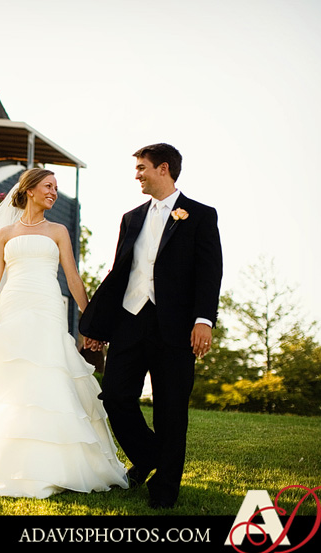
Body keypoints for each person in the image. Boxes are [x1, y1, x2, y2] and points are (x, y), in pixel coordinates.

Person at [0, 168, 128, 499]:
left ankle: (56, 463)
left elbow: (73, 277)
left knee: (48, 371)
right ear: (29, 190)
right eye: (48, 186)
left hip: (47, 305)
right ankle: (10, 458)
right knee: (16, 376)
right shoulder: (5, 233)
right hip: (13, 305)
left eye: (56, 187)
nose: (53, 192)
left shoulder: (58, 231)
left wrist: (91, 322)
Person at [80, 143, 223, 509]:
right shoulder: (131, 218)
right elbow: (119, 274)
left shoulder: (201, 215)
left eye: (142, 168)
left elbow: (210, 273)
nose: (137, 175)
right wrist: (99, 325)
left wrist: (203, 320)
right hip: (130, 320)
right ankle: (150, 456)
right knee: (115, 396)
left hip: (176, 328)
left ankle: (165, 490)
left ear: (163, 168)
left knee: (171, 409)